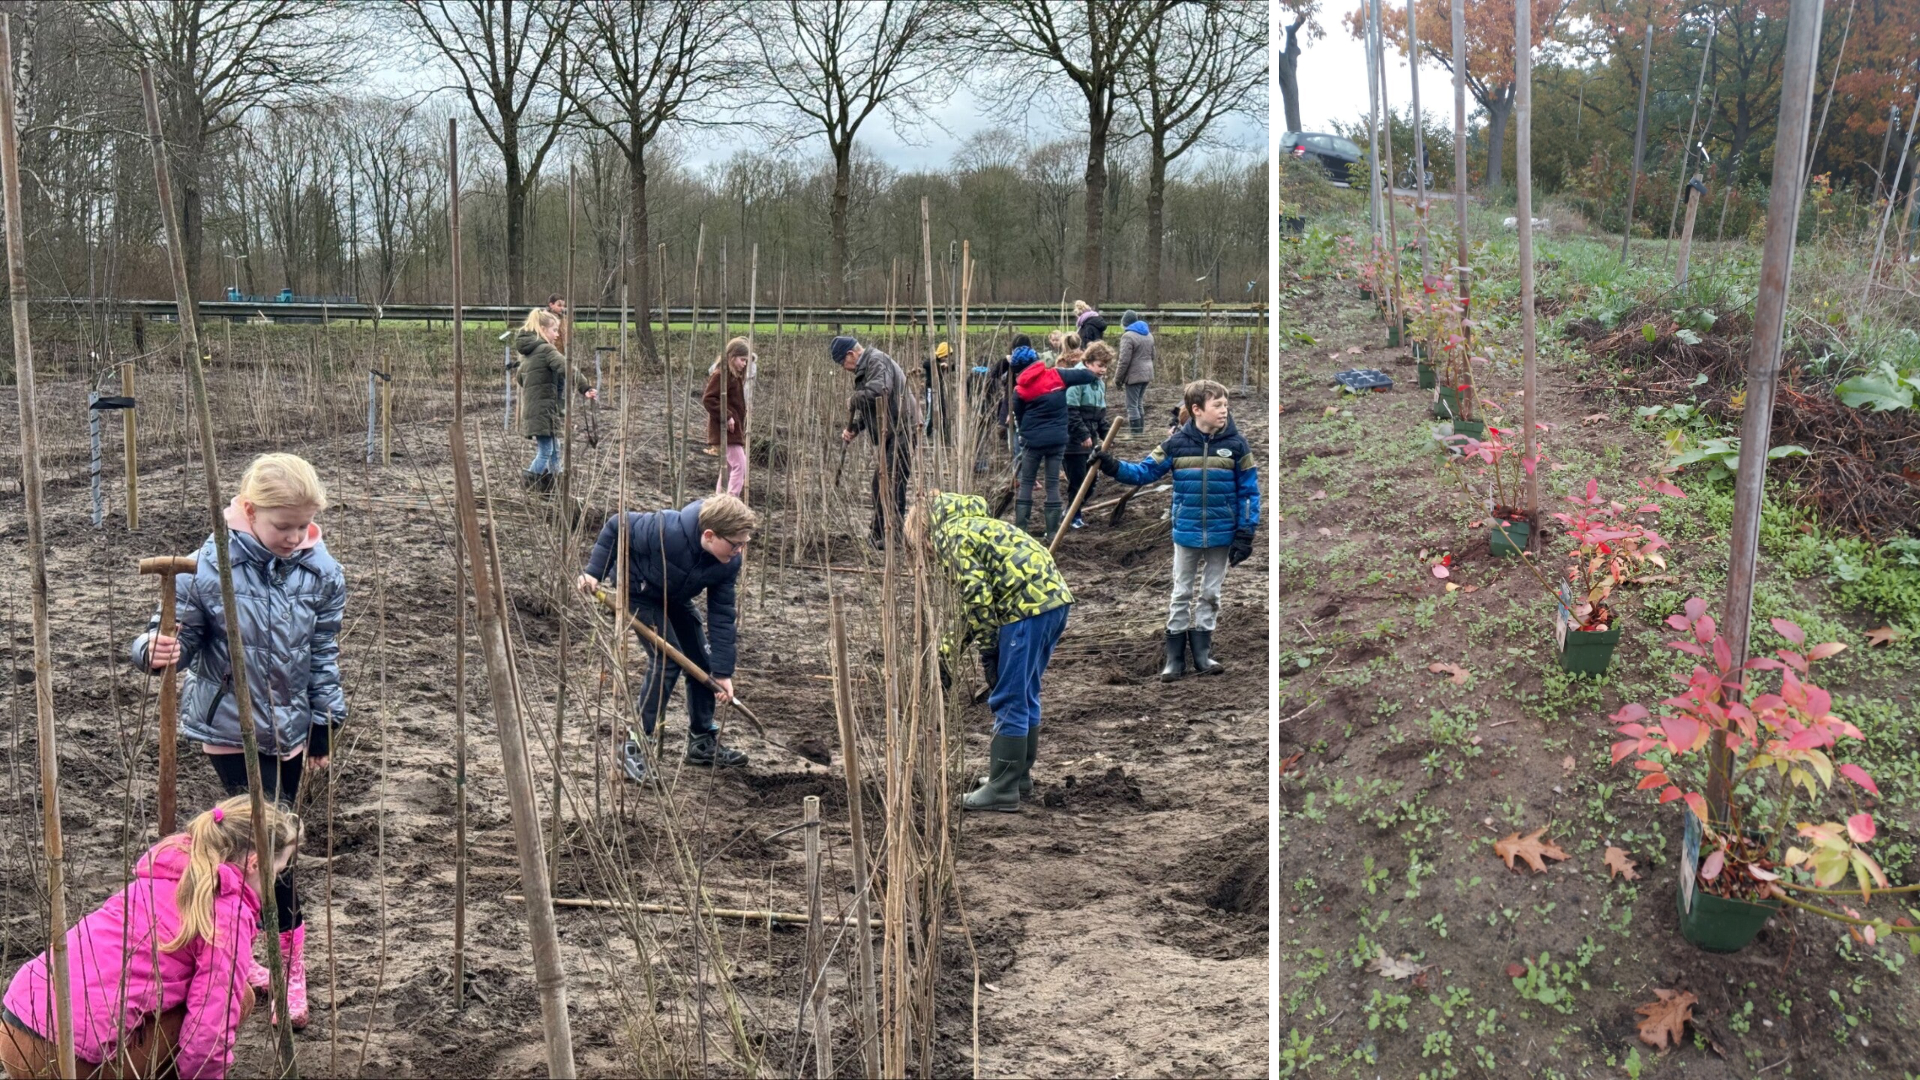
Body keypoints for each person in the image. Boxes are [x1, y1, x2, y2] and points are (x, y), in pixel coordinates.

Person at [131, 453, 344, 1030]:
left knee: (272, 848)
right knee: (269, 849)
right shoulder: (210, 565)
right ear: (249, 511)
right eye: (283, 526)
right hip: (229, 726)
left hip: (293, 730)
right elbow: (173, 634)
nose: (294, 537)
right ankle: (276, 965)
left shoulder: (321, 571)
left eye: (304, 526)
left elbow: (323, 652)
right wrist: (155, 649)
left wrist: (325, 721)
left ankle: (272, 958)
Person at [2, 797, 300, 1080]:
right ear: (254, 863)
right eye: (276, 872)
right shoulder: (228, 914)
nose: (275, 881)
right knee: (239, 997)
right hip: (66, 1059)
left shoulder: (162, 873)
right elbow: (209, 1033)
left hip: (13, 1025)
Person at [908, 491, 1073, 812]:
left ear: (922, 530)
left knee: (1009, 697)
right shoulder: (977, 525)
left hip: (1024, 610)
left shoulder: (949, 536)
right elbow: (974, 605)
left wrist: (988, 652)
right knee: (1025, 692)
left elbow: (978, 599)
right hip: (1054, 603)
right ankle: (1017, 777)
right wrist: (947, 653)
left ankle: (1002, 789)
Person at [577, 494, 758, 782]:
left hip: (674, 596)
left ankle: (701, 741)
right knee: (667, 658)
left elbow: (722, 615)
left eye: (744, 544)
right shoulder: (665, 530)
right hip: (637, 590)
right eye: (735, 544)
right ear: (710, 535)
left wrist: (723, 672)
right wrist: (593, 572)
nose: (739, 551)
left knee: (701, 663)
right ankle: (634, 744)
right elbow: (617, 525)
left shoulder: (728, 563)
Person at [1097, 380, 1260, 680]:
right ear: (1196, 409)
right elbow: (1144, 471)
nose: (1224, 410)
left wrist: (1246, 532)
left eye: (1226, 405)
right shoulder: (1175, 445)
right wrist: (1112, 466)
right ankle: (1174, 659)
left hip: (1223, 532)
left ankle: (1202, 655)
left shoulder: (1238, 446)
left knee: (1211, 593)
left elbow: (1249, 492)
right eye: (1217, 405)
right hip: (1186, 531)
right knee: (1181, 592)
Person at [1009, 336, 1103, 538]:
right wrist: (1087, 366)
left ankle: (1021, 531)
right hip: (1057, 440)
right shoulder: (1057, 375)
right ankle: (1052, 533)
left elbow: (1020, 417)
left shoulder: (1020, 390)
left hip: (1032, 442)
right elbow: (1087, 376)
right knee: (1052, 484)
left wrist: (1025, 435)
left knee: (1027, 482)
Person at [832, 335, 919, 548]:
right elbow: (874, 407)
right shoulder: (869, 366)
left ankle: (892, 535)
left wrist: (854, 399)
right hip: (892, 430)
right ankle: (880, 532)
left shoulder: (876, 360)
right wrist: (855, 428)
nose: (844, 368)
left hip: (903, 428)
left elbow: (880, 391)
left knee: (891, 481)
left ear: (851, 354)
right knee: (880, 482)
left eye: (842, 362)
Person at [515, 308, 595, 490]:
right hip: (544, 410)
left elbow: (520, 379)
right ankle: (529, 485)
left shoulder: (527, 354)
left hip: (536, 409)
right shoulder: (546, 350)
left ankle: (556, 484)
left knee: (554, 448)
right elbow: (567, 368)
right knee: (546, 451)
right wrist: (585, 387)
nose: (557, 335)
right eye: (554, 330)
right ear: (543, 329)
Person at [1063, 340, 1114, 529]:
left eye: (1105, 366)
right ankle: (1073, 516)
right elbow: (1071, 412)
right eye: (1100, 365)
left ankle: (1071, 512)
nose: (1103, 370)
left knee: (1091, 481)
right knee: (1078, 481)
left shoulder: (1099, 384)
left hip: (1090, 439)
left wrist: (1107, 434)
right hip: (1072, 440)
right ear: (1087, 362)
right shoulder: (1075, 380)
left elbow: (1100, 415)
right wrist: (1083, 435)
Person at [703, 337, 751, 498]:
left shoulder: (733, 376)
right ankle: (730, 500)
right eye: (742, 359)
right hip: (726, 430)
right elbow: (709, 399)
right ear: (732, 356)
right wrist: (728, 416)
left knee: (729, 468)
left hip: (733, 430)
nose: (744, 364)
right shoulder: (721, 375)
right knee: (740, 465)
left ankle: (719, 500)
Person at [1113, 310, 1156, 436]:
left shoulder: (1128, 336)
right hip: (1147, 373)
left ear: (1125, 323)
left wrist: (1117, 379)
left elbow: (1123, 361)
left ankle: (1136, 435)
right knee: (1139, 403)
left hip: (1134, 375)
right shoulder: (1149, 334)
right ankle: (1140, 433)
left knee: (1131, 405)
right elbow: (1153, 355)